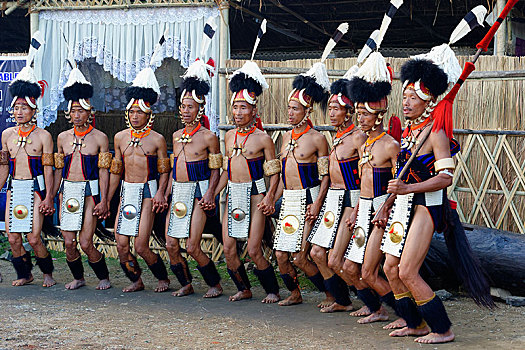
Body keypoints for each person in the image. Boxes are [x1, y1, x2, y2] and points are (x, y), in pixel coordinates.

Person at [381, 43, 492, 343]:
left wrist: (408, 188)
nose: (405, 103)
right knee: (390, 267)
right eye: (403, 97)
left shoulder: (437, 132)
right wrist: (390, 202)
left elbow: (445, 177)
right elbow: (401, 179)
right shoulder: (408, 133)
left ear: (427, 101)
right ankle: (413, 322)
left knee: (407, 271)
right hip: (405, 204)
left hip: (427, 207)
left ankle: (442, 329)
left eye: (412, 98)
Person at [343, 52, 403, 325]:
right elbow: (361, 181)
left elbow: (401, 182)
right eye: (358, 113)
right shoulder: (363, 143)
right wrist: (356, 210)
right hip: (364, 208)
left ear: (378, 115)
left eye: (365, 114)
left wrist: (386, 208)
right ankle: (378, 309)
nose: (361, 118)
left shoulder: (390, 145)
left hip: (381, 211)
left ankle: (406, 315)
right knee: (349, 267)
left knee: (369, 272)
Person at [218, 59, 280, 303]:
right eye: (236, 107)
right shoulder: (229, 136)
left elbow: (274, 173)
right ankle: (243, 288)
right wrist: (213, 192)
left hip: (256, 194)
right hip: (234, 193)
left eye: (244, 108)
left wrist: (269, 197)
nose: (239, 112)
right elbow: (226, 169)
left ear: (254, 111)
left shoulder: (263, 139)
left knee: (254, 249)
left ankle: (273, 290)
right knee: (229, 248)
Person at [307, 67, 367, 313]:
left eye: (336, 108)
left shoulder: (358, 137)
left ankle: (373, 303)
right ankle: (341, 300)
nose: (331, 113)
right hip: (333, 199)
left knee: (336, 258)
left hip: (351, 202)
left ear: (349, 111)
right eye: (329, 108)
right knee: (317, 252)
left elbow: (366, 176)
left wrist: (357, 208)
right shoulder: (338, 137)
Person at [274, 62, 332, 307]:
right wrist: (270, 198)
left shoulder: (318, 139)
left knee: (301, 257)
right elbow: (281, 174)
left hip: (309, 198)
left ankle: (333, 295)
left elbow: (326, 175)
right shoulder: (286, 137)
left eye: (295, 109)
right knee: (281, 255)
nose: (290, 113)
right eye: (289, 108)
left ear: (306, 111)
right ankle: (295, 293)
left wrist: (318, 202)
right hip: (289, 199)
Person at [108, 66, 170, 293]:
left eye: (140, 112)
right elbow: (116, 170)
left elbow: (164, 170)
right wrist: (106, 199)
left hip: (148, 192)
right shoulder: (120, 138)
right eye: (132, 112)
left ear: (148, 114)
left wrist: (161, 193)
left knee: (141, 244)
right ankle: (136, 280)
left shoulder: (157, 140)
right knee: (122, 245)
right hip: (127, 191)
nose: (135, 116)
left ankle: (163, 278)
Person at [165, 57, 223, 298]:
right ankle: (186, 282)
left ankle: (215, 283)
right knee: (170, 244)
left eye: (190, 107)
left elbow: (216, 169)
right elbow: (173, 168)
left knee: (192, 245)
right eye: (183, 107)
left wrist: (210, 193)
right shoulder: (177, 135)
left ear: (200, 109)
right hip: (178, 192)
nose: (185, 111)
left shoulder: (209, 137)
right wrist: (164, 193)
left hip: (199, 193)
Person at [52, 66, 111, 290]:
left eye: (81, 111)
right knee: (69, 242)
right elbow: (58, 170)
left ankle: (104, 277)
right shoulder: (62, 138)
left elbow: (104, 171)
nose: (77, 115)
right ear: (69, 112)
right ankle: (78, 278)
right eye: (73, 111)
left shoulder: (100, 138)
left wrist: (104, 200)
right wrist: (52, 195)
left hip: (90, 194)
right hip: (67, 191)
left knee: (86, 243)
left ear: (89, 112)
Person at [0, 52, 56, 287]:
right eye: (16, 107)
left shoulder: (44, 136)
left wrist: (49, 197)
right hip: (15, 187)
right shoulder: (6, 135)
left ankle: (47, 273)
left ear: (33, 109)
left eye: (25, 107)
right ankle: (24, 274)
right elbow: (4, 166)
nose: (19, 111)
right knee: (13, 238)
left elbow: (49, 171)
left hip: (36, 188)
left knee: (33, 238)